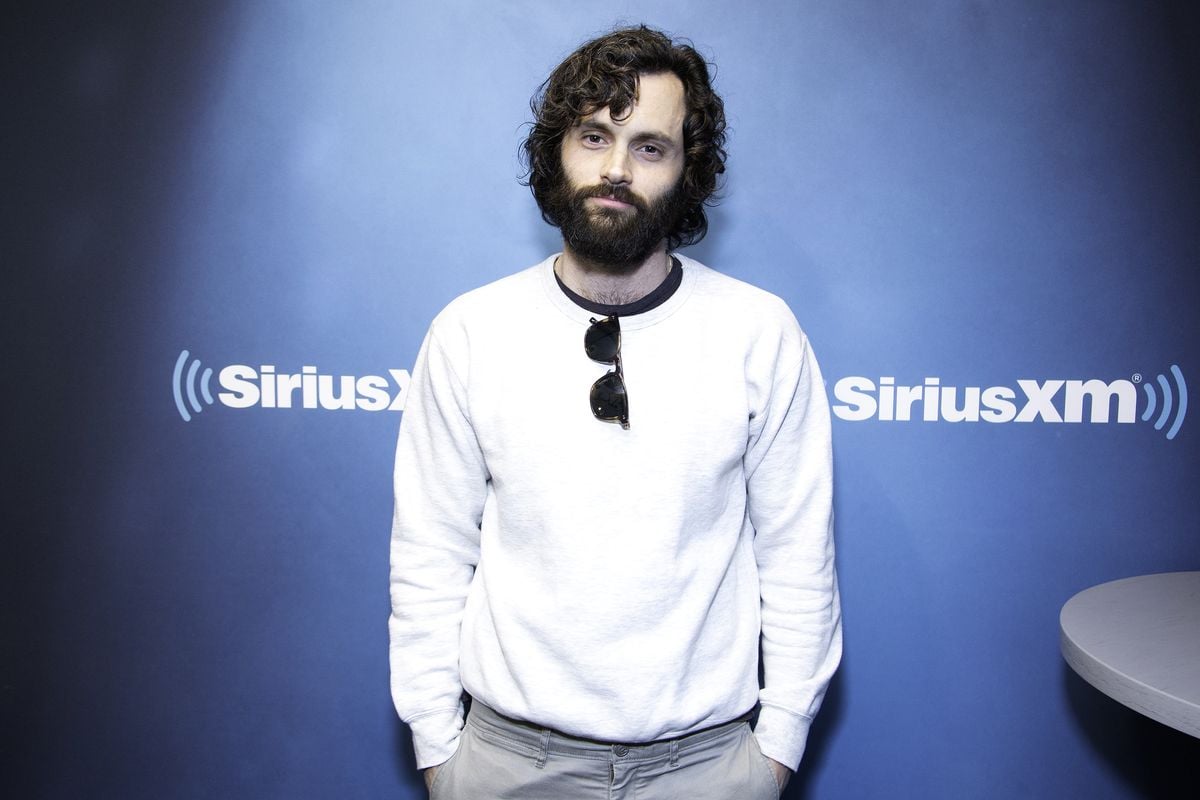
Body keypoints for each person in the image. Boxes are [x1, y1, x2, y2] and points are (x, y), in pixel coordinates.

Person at [389, 25, 841, 799]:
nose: (615, 169)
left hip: (708, 769)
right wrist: (441, 751)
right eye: (595, 135)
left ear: (685, 172)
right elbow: (429, 556)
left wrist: (774, 754)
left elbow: (799, 562)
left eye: (650, 147)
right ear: (557, 151)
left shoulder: (760, 333)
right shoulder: (470, 331)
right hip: (506, 765)